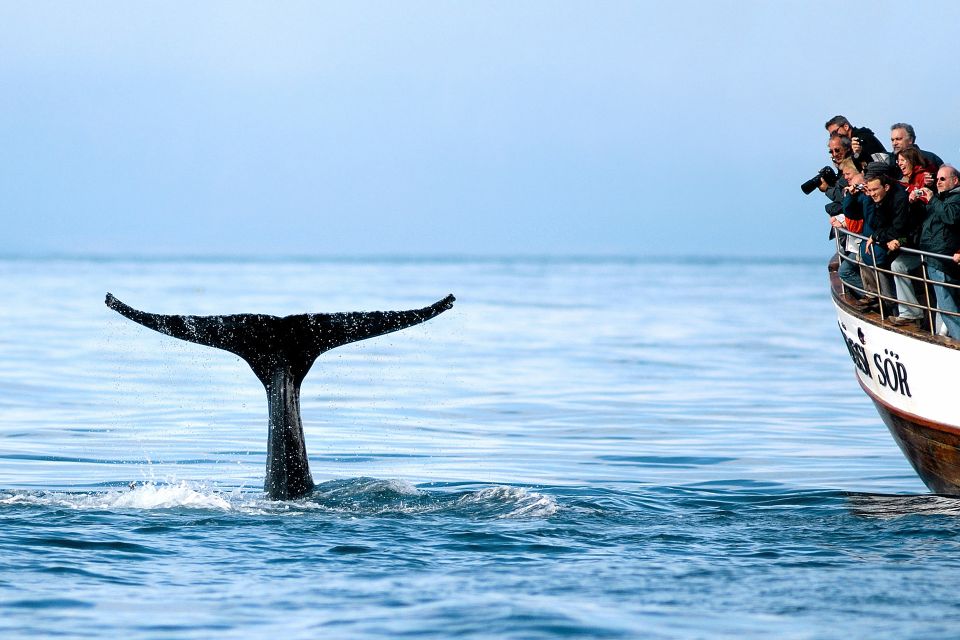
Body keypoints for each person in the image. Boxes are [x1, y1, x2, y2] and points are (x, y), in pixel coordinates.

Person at [862, 172, 925, 325]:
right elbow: (877, 224)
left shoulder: (899, 200)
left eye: (875, 190)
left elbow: (899, 229)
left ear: (887, 187)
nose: (872, 194)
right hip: (902, 240)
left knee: (896, 265)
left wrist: (882, 238)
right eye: (869, 190)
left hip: (914, 242)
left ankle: (907, 312)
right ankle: (899, 310)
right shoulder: (880, 201)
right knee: (875, 258)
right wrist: (881, 237)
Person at [915, 165, 960, 339]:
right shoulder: (943, 198)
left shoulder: (955, 199)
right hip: (934, 257)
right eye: (937, 179)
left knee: (948, 305)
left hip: (941, 259)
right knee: (944, 304)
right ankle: (944, 336)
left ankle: (957, 341)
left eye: (942, 179)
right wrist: (915, 202)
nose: (938, 183)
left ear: (955, 180)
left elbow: (951, 217)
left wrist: (933, 199)